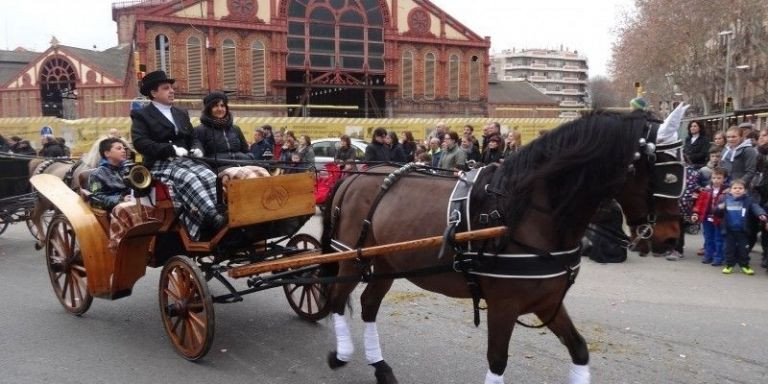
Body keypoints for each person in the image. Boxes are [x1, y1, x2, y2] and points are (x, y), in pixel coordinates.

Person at [130, 70, 224, 240]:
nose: (172, 91)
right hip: (161, 164)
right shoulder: (142, 115)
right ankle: (212, 218)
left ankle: (218, 212)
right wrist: (169, 149)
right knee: (190, 178)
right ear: (153, 93)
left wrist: (197, 148)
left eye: (171, 87)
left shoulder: (181, 113)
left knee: (210, 176)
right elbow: (140, 143)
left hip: (186, 161)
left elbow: (193, 137)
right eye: (166, 88)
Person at [87, 138, 156, 252]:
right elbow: (96, 197)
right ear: (107, 153)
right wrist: (120, 199)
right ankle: (121, 246)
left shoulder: (129, 169)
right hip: (114, 207)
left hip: (132, 201)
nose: (124, 150)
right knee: (123, 208)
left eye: (124, 148)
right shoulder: (97, 174)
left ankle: (153, 241)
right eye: (119, 148)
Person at [717, 179, 767, 275]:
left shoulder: (748, 200)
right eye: (735, 188)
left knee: (743, 250)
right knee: (728, 249)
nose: (737, 190)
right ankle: (729, 265)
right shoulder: (725, 199)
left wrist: (761, 214)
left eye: (740, 188)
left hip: (743, 231)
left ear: (745, 190)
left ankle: (744, 266)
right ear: (730, 190)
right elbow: (716, 212)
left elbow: (755, 207)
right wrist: (719, 207)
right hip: (729, 231)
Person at [194, 92, 252, 162]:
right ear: (208, 109)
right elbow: (200, 154)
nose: (220, 109)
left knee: (263, 172)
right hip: (220, 167)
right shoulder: (200, 130)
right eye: (215, 106)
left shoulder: (235, 128)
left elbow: (246, 150)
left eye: (222, 106)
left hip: (243, 164)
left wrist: (250, 157)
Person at [691, 168, 728, 266]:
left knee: (719, 239)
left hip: (719, 219)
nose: (716, 180)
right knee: (708, 238)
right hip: (706, 218)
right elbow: (699, 203)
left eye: (719, 178)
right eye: (714, 178)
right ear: (711, 178)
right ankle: (708, 255)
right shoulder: (706, 190)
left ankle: (718, 258)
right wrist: (696, 213)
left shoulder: (727, 192)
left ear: (724, 179)